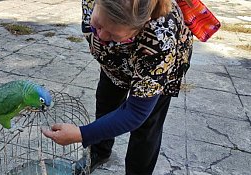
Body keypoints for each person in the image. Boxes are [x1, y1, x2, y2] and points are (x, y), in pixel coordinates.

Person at [42, 0, 193, 174]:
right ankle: (99, 152)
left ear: (141, 26)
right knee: (106, 102)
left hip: (157, 68)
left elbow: (136, 112)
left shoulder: (160, 38)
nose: (102, 36)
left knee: (146, 128)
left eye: (114, 36)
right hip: (115, 63)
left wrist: (81, 134)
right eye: (97, 25)